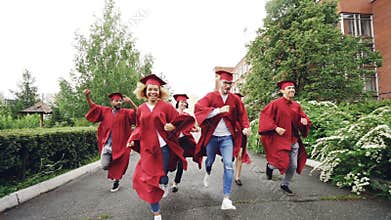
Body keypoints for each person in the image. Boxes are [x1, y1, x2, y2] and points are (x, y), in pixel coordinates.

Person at [126, 74, 191, 220]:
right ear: (145, 91)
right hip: (147, 149)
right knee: (149, 180)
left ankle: (165, 182)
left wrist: (172, 125)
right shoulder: (141, 109)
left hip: (163, 148)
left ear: (160, 91)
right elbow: (138, 126)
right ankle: (156, 212)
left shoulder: (165, 107)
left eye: (155, 90)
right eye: (150, 89)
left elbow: (182, 119)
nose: (153, 92)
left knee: (162, 176)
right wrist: (132, 139)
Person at [194, 70, 251, 210]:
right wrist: (218, 111)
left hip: (227, 138)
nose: (227, 86)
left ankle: (226, 198)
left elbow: (242, 115)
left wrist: (245, 127)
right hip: (212, 137)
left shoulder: (235, 99)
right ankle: (207, 172)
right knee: (210, 161)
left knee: (228, 164)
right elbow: (199, 109)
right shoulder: (210, 96)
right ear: (220, 82)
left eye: (230, 84)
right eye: (225, 83)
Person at [258, 80, 312, 195]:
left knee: (293, 165)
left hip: (293, 140)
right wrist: (275, 128)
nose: (292, 90)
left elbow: (304, 118)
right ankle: (270, 166)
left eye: (293, 88)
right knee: (280, 162)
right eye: (289, 88)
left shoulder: (297, 106)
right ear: (282, 91)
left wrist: (305, 121)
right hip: (280, 140)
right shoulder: (275, 104)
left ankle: (285, 184)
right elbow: (265, 116)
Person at [84, 89, 136, 192]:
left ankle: (116, 181)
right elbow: (93, 107)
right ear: (111, 102)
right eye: (116, 100)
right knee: (104, 165)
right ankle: (113, 168)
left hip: (121, 146)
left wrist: (131, 102)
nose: (119, 102)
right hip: (107, 145)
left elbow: (138, 113)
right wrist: (88, 97)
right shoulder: (105, 111)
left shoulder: (126, 113)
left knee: (120, 165)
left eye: (120, 101)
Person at [170, 94, 199, 193]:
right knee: (171, 161)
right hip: (173, 142)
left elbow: (190, 127)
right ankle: (165, 178)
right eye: (181, 102)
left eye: (184, 102)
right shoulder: (172, 114)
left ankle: (175, 183)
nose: (183, 104)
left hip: (184, 141)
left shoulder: (187, 116)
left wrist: (194, 129)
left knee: (181, 161)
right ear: (177, 103)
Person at [233, 93, 251, 186]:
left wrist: (246, 128)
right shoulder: (230, 110)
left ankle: (237, 177)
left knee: (239, 155)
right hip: (231, 135)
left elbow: (246, 121)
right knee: (230, 155)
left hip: (241, 135)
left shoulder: (242, 111)